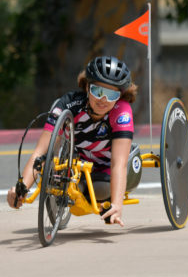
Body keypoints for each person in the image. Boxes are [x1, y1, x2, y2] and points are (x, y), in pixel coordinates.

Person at [7, 56, 138, 227]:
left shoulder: (122, 111)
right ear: (86, 86)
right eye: (97, 91)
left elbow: (118, 164)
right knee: (69, 190)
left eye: (111, 94)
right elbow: (41, 152)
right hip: (77, 167)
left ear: (120, 96)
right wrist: (21, 188)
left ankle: (104, 203)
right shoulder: (68, 104)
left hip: (106, 169)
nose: (103, 100)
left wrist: (117, 205)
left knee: (100, 191)